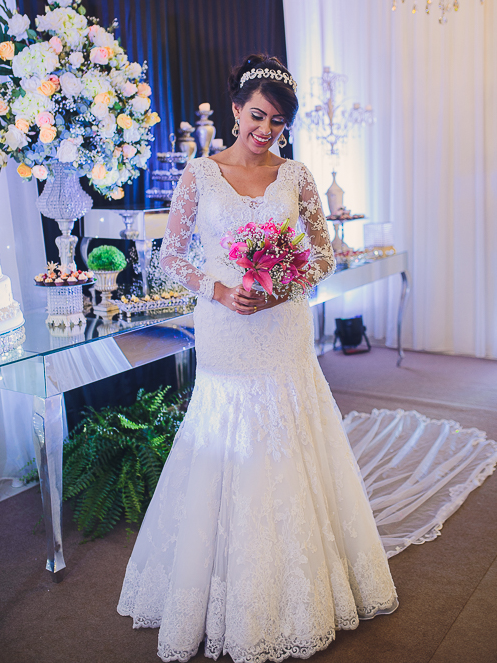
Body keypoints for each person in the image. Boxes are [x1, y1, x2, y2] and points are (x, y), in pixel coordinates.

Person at [117, 54, 398, 663]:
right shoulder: (198, 175)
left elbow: (323, 253)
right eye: (257, 115)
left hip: (282, 327)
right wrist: (219, 289)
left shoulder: (296, 177)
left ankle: (300, 587)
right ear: (237, 108)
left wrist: (288, 282)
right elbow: (171, 257)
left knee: (289, 432)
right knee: (226, 436)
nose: (265, 130)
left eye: (277, 121)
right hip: (224, 327)